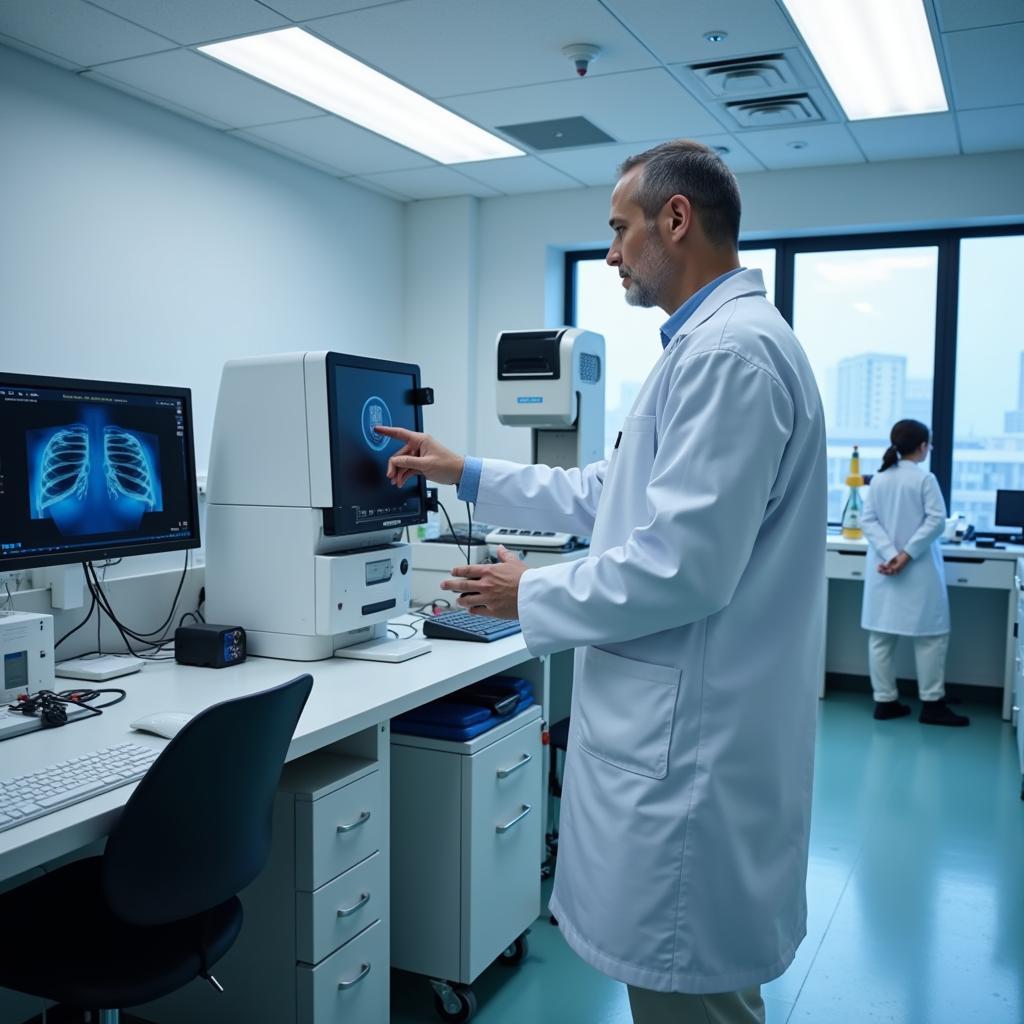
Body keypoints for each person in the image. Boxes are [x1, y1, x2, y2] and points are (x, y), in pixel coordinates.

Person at [377, 139, 826, 1024]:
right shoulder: (707, 349)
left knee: (687, 998)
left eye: (620, 229)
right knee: (704, 998)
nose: (613, 252)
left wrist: (527, 595)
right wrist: (464, 471)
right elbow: (606, 495)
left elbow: (682, 566)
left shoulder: (727, 357)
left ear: (676, 218)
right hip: (694, 741)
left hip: (691, 762)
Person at [860, 419, 969, 727]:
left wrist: (891, 555)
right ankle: (932, 704)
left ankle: (885, 701)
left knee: (881, 637)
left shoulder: (880, 479)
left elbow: (868, 522)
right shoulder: (924, 479)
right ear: (923, 446)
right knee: (931, 637)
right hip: (916, 568)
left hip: (884, 568)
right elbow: (936, 522)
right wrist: (906, 556)